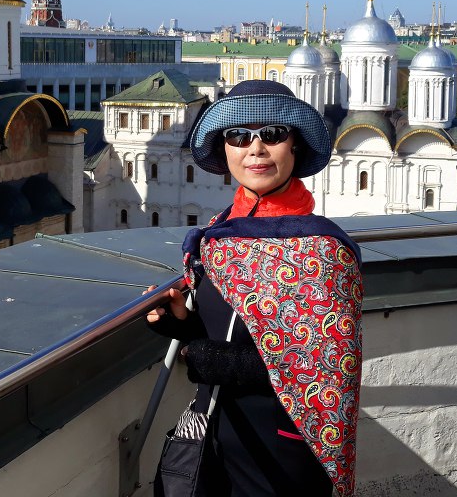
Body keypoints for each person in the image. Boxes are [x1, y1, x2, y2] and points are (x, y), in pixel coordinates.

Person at [145, 80, 364, 497]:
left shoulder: (321, 250)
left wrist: (227, 363)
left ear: (295, 145)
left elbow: (330, 368)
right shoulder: (221, 232)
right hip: (215, 429)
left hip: (280, 445)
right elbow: (238, 329)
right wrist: (184, 326)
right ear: (225, 148)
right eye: (238, 136)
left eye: (273, 134)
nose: (256, 148)